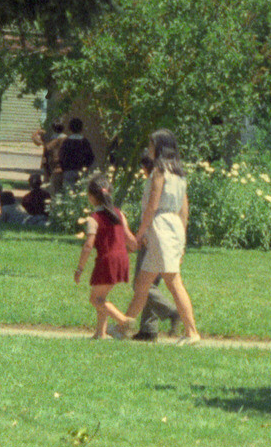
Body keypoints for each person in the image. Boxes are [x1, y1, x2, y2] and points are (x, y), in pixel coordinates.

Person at [126, 131, 199, 342]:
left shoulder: (159, 172)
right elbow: (184, 210)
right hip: (173, 226)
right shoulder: (179, 173)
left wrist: (140, 234)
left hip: (160, 227)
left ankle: (192, 332)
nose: (149, 147)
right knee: (142, 284)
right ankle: (124, 326)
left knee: (173, 282)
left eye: (151, 143)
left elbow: (152, 206)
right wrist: (182, 240)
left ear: (159, 146)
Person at [74, 178, 133, 337]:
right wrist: (138, 244)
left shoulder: (94, 218)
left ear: (91, 197)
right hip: (123, 259)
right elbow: (128, 236)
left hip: (107, 260)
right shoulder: (119, 213)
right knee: (102, 297)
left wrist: (80, 268)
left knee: (95, 299)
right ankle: (100, 333)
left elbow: (88, 246)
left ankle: (123, 321)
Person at [57, 117, 96, 185]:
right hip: (81, 171)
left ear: (70, 128)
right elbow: (91, 157)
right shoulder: (84, 142)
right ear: (81, 128)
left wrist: (63, 168)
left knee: (68, 193)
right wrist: (86, 167)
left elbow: (61, 157)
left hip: (68, 172)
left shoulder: (66, 142)